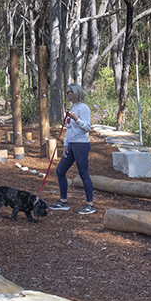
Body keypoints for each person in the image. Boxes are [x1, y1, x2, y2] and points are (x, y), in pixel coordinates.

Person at [50, 83, 95, 214]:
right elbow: (68, 130)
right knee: (60, 171)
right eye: (66, 92)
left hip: (81, 145)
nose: (66, 94)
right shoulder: (73, 108)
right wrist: (65, 144)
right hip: (71, 145)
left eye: (69, 92)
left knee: (83, 174)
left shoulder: (83, 108)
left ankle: (90, 204)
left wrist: (76, 119)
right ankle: (63, 201)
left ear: (75, 93)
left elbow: (87, 127)